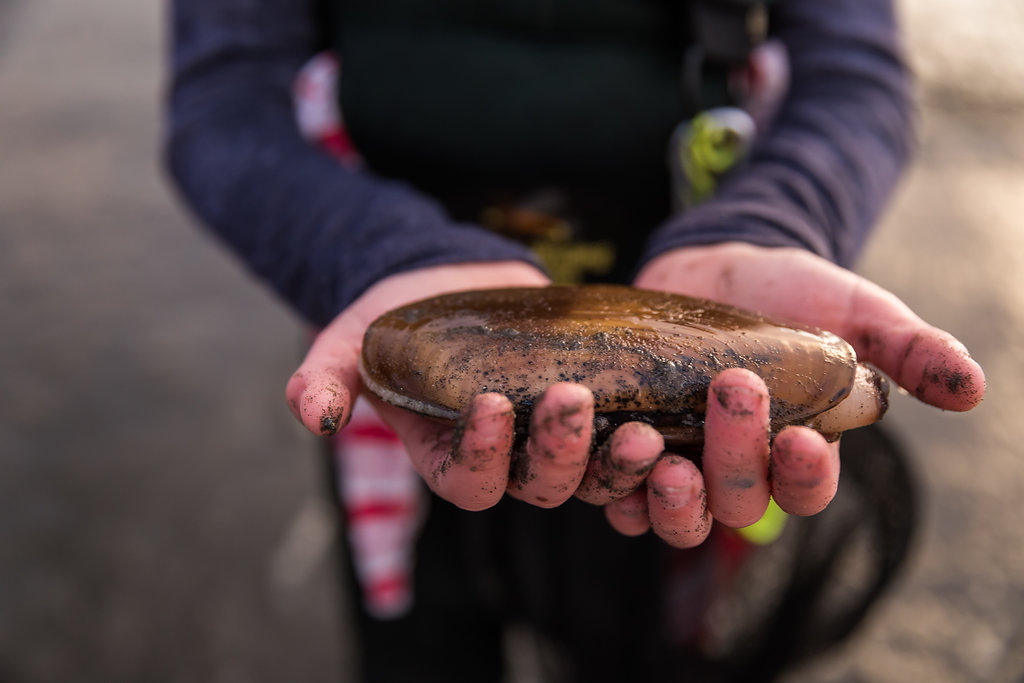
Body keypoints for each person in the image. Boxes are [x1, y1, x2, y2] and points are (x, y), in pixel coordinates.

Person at [165, 1, 986, 680]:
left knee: (639, 632)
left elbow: (855, 75)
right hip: (400, 297)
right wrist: (377, 253)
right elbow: (225, 103)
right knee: (424, 640)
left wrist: (774, 218)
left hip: (692, 293)